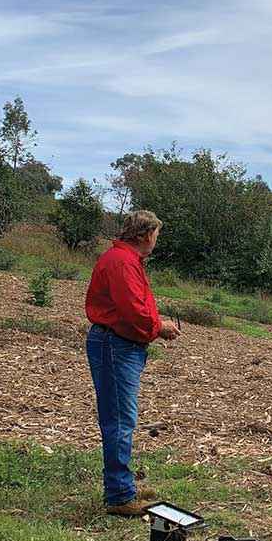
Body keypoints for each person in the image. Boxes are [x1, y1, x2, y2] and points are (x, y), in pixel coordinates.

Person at [85, 210, 180, 516]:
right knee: (119, 420)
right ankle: (120, 495)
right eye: (156, 234)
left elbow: (135, 307)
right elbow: (133, 311)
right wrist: (158, 328)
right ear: (145, 235)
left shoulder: (124, 259)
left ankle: (123, 485)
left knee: (121, 418)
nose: (156, 240)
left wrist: (153, 324)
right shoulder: (122, 262)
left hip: (119, 344)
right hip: (116, 345)